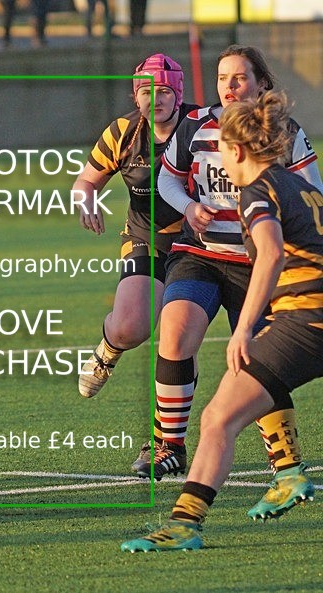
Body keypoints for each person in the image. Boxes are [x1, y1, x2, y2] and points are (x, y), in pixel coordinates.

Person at [121, 90, 320, 552]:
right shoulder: (304, 188)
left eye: (221, 153)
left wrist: (246, 327)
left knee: (217, 420)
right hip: (311, 320)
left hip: (303, 324)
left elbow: (269, 253)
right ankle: (289, 474)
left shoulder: (257, 189)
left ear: (236, 151)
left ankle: (185, 525)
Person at [139, 45, 322, 482]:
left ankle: (286, 464)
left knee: (259, 358)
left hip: (257, 266)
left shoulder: (285, 134)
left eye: (240, 77)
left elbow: (311, 193)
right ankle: (169, 446)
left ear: (261, 83)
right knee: (175, 330)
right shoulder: (196, 125)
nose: (230, 86)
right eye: (223, 78)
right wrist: (187, 206)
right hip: (200, 255)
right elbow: (166, 176)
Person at [77, 54, 196, 405]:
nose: (154, 98)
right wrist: (87, 202)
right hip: (145, 237)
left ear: (177, 92)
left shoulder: (202, 127)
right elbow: (85, 181)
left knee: (180, 338)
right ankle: (108, 350)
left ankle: (164, 440)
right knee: (130, 327)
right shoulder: (122, 133)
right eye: (146, 91)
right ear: (136, 96)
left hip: (198, 246)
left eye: (163, 91)